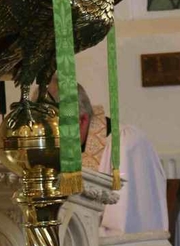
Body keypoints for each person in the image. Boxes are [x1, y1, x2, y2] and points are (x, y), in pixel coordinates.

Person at [48, 77, 168, 235]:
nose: (50, 138)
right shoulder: (57, 147)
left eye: (56, 129)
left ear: (81, 120)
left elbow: (123, 228)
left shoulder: (125, 145)